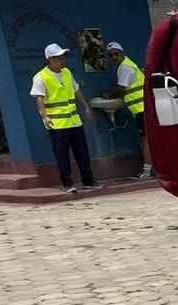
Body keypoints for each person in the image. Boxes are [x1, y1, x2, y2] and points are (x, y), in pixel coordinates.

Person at [31, 44, 97, 194]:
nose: (63, 60)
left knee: (82, 153)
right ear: (50, 59)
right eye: (59, 58)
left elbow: (76, 90)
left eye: (63, 57)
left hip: (74, 121)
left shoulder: (67, 72)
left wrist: (85, 107)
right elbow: (39, 99)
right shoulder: (41, 77)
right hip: (57, 124)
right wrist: (45, 116)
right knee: (62, 156)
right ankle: (67, 184)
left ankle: (88, 181)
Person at [107, 41, 152, 179]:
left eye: (116, 53)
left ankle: (147, 170)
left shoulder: (125, 67)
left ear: (122, 53)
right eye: (111, 55)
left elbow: (121, 88)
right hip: (143, 108)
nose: (114, 57)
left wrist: (108, 95)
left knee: (146, 140)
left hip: (142, 109)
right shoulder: (127, 64)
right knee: (148, 139)